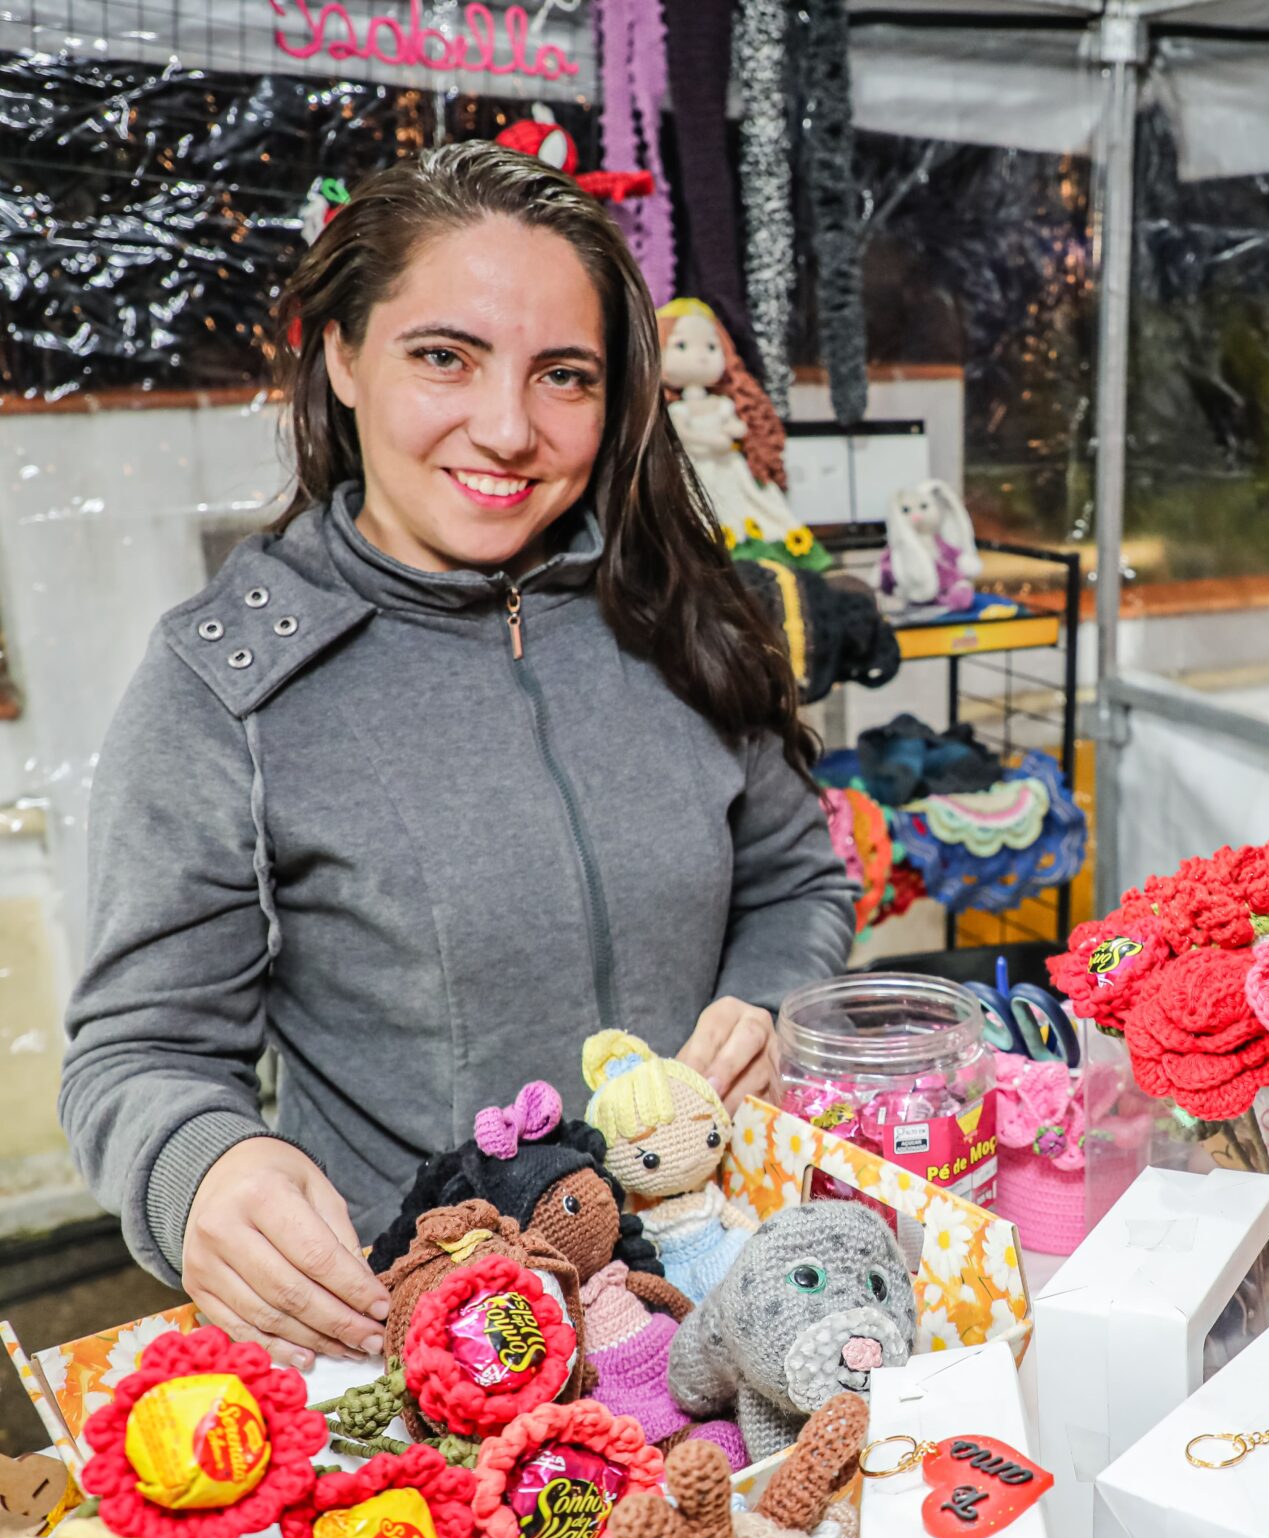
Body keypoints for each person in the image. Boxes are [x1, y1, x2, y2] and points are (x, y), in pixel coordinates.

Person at [60, 144, 856, 1369]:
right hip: (427, 1338)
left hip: (713, 1287)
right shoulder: (227, 683)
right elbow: (139, 1052)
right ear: (340, 355)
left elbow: (796, 880)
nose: (507, 429)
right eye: (445, 356)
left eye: (564, 376)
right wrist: (202, 1165)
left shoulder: (687, 609)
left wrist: (761, 1002)